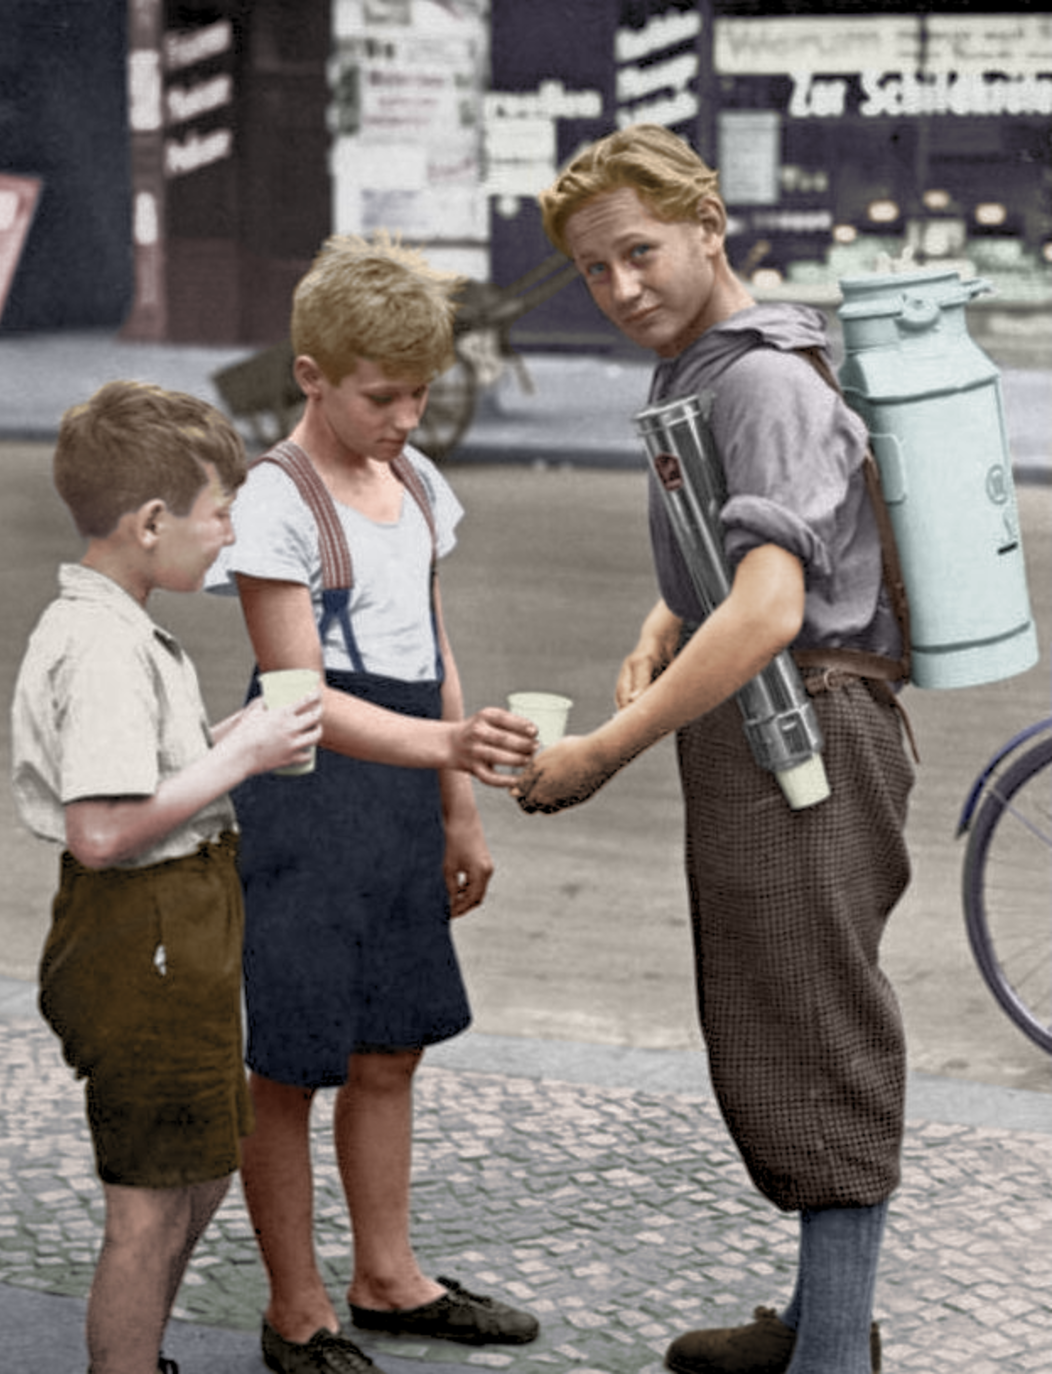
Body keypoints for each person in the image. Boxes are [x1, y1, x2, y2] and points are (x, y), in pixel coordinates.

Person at [515, 124, 914, 1374]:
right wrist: (661, 617)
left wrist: (604, 751)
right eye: (595, 270)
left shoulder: (761, 380)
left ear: (710, 226)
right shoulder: (697, 369)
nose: (622, 287)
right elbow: (734, 556)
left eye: (640, 252)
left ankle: (835, 1352)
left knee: (818, 1028)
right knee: (778, 1014)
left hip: (810, 732)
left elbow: (772, 606)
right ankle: (816, 1319)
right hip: (764, 728)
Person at [203, 232, 540, 1374]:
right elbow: (297, 697)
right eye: (381, 395)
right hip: (306, 800)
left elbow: (431, 645)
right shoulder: (274, 503)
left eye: (423, 394)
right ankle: (296, 1305)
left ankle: (387, 1275)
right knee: (293, 1061)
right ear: (311, 377)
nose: (406, 416)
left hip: (401, 795)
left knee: (393, 1046)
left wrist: (458, 804)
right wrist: (444, 742)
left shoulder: (414, 481)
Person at [10, 380, 324, 1374]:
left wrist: (234, 736)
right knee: (149, 1208)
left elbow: (140, 772)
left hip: (169, 929)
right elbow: (102, 831)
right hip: (142, 930)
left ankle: (139, 1356)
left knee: (195, 1169)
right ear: (151, 522)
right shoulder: (105, 646)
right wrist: (242, 761)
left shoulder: (119, 626)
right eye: (217, 512)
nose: (228, 536)